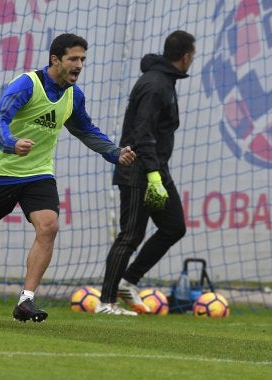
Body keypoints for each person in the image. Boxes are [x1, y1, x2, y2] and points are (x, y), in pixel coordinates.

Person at [0, 33, 136, 322]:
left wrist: (114, 152)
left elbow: (86, 131)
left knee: (48, 227)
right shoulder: (27, 84)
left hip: (38, 174)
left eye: (82, 60)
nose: (79, 65)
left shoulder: (74, 95)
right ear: (55, 60)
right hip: (0, 173)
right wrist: (10, 143)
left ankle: (26, 300)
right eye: (73, 59)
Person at [95, 31, 195, 316]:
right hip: (138, 170)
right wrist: (152, 174)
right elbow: (142, 132)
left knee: (174, 226)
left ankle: (127, 282)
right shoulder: (154, 84)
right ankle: (105, 302)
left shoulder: (165, 81)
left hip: (156, 169)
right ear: (186, 57)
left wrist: (157, 172)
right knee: (130, 235)